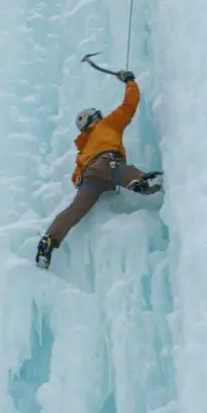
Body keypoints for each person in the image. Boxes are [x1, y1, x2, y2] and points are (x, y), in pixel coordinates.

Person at [35, 69, 161, 269]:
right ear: (94, 119)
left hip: (90, 178)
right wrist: (129, 81)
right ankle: (143, 182)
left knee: (76, 209)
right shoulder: (107, 125)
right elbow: (129, 106)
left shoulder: (82, 150)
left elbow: (76, 178)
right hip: (106, 163)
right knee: (120, 170)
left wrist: (83, 181)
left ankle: (49, 240)